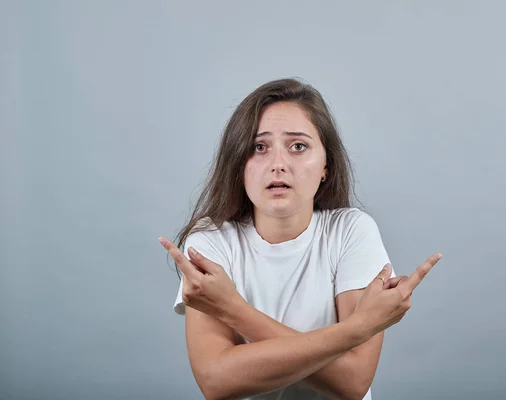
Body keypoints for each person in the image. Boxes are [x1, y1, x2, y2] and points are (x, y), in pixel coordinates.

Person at [158, 78, 442, 400]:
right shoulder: (211, 241)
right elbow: (216, 381)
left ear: (326, 167)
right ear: (238, 165)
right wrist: (357, 329)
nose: (278, 165)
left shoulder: (351, 231)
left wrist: (232, 309)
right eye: (259, 147)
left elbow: (352, 382)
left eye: (298, 146)